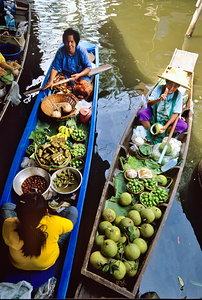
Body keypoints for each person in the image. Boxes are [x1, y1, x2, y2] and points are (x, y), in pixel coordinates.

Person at [0, 193, 78, 271]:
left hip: (18, 264)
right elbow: (70, 225)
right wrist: (50, 216)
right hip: (46, 263)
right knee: (73, 211)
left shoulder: (8, 224)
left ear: (16, 211)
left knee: (6, 206)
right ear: (46, 211)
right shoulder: (54, 223)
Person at [137, 67, 190, 144]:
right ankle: (152, 130)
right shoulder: (159, 88)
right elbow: (149, 103)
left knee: (183, 126)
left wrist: (166, 126)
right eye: (170, 84)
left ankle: (163, 131)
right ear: (166, 82)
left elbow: (176, 113)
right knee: (141, 114)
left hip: (167, 118)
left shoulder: (178, 95)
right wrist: (159, 99)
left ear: (178, 87)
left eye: (175, 86)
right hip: (154, 114)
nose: (172, 88)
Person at [43, 27, 93, 100]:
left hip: (79, 77)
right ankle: (72, 94)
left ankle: (68, 93)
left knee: (86, 90)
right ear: (64, 42)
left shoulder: (81, 51)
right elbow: (55, 67)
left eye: (72, 41)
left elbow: (88, 68)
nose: (69, 44)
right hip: (65, 76)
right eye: (67, 41)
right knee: (54, 83)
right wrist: (51, 81)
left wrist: (78, 75)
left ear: (76, 42)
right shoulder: (61, 51)